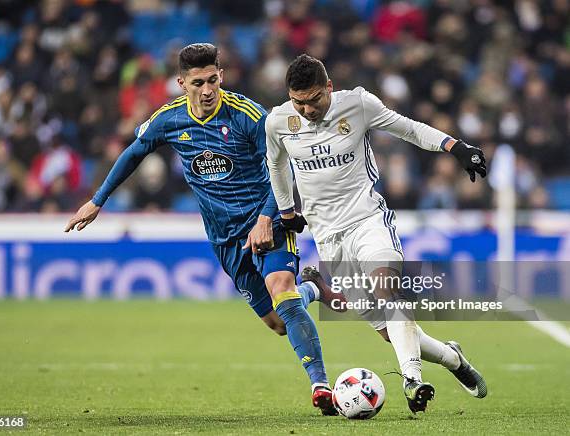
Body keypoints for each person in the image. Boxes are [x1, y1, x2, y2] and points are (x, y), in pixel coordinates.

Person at [64, 44, 342, 415]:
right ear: (181, 83)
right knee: (278, 322)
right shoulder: (170, 119)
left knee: (280, 289)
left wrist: (265, 218)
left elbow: (284, 168)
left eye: (213, 80)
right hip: (224, 237)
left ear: (221, 76)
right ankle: (313, 288)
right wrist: (97, 200)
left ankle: (320, 385)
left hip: (265, 219)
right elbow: (134, 151)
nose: (207, 90)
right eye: (198, 83)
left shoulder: (247, 116)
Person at [266, 54, 488, 413]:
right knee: (389, 332)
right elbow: (275, 165)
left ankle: (411, 379)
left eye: (314, 100)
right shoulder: (278, 122)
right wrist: (288, 211)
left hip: (367, 219)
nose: (307, 110)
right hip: (328, 236)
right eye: (299, 102)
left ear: (329, 88)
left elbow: (409, 128)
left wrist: (455, 147)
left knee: (387, 287)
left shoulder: (357, 104)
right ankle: (453, 359)